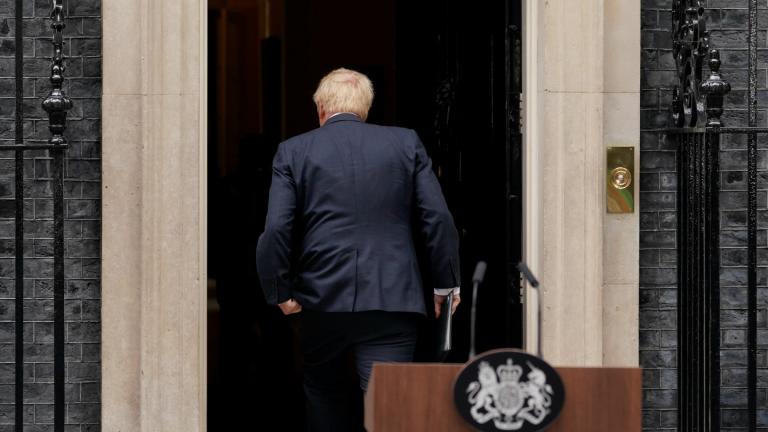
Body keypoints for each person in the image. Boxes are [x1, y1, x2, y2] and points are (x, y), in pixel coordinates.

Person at [256, 68, 461, 431]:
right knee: (389, 406)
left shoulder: (293, 151)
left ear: (320, 108)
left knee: (324, 395)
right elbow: (437, 218)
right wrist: (445, 284)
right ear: (365, 108)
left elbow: (276, 229)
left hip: (319, 299)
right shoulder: (405, 142)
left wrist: (280, 291)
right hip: (392, 295)